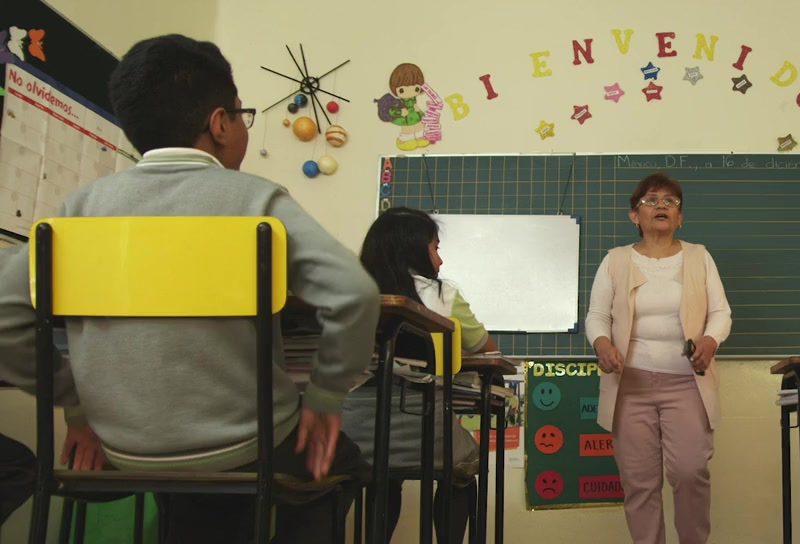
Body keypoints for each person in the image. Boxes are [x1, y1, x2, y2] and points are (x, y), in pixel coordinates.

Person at [0, 34, 381, 543]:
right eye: (243, 115)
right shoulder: (255, 201)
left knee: (196, 495)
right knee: (341, 463)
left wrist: (76, 401)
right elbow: (355, 293)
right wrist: (326, 396)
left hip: (123, 446)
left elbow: (4, 312)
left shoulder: (80, 209)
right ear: (220, 124)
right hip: (249, 444)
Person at [586, 173, 731, 544]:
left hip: (687, 384)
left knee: (690, 472)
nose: (661, 206)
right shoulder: (615, 260)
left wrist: (710, 341)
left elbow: (720, 312)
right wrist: (602, 344)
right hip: (630, 385)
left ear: (680, 217)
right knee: (640, 482)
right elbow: (597, 315)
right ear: (635, 215)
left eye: (670, 201)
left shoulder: (699, 257)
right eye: (651, 200)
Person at [342, 207, 491, 544]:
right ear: (413, 249)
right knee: (463, 469)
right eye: (435, 248)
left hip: (352, 432)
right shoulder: (442, 295)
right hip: (423, 425)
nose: (440, 260)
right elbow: (485, 348)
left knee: (383, 475)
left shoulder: (346, 292)